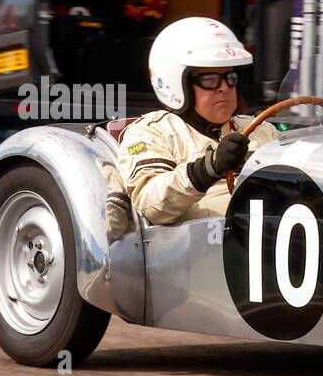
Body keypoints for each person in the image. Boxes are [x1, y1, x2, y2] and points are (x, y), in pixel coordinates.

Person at [118, 17, 279, 224]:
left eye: (231, 78)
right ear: (177, 83)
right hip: (207, 249)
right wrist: (208, 168)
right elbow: (150, 204)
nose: (225, 88)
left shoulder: (261, 129)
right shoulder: (152, 132)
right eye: (210, 80)